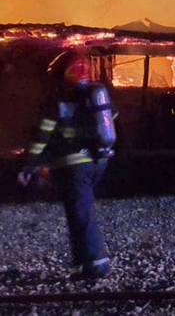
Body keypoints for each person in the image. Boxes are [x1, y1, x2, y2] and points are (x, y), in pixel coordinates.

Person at [18, 50, 114, 280]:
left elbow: (42, 136)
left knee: (80, 213)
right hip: (97, 162)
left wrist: (28, 165)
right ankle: (84, 264)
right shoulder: (96, 95)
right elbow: (112, 120)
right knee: (79, 211)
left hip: (72, 166)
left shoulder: (57, 100)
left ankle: (97, 264)